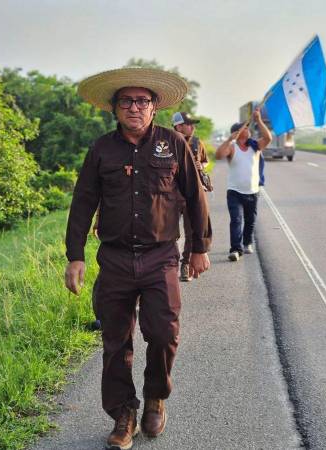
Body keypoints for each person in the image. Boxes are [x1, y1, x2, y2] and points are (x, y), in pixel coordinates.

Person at [64, 67, 211, 450]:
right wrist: (75, 256)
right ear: (114, 108)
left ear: (154, 107)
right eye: (126, 101)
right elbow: (83, 202)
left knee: (163, 333)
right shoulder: (101, 149)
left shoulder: (173, 144)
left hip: (161, 256)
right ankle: (123, 414)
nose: (134, 107)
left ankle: (156, 397)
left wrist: (199, 248)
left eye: (142, 101)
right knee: (115, 341)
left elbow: (196, 197)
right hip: (113, 259)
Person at [215, 107, 272, 261]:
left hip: (252, 191)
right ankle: (235, 249)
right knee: (236, 220)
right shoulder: (232, 148)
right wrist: (228, 139)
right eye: (244, 128)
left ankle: (247, 242)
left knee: (250, 220)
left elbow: (268, 138)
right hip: (235, 192)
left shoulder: (255, 146)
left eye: (247, 128)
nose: (247, 130)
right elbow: (219, 155)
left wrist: (258, 120)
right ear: (237, 133)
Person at [171, 111, 210, 282]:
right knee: (168, 233)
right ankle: (166, 266)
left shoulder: (196, 143)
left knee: (191, 230)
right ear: (178, 126)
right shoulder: (167, 142)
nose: (192, 127)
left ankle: (185, 264)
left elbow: (204, 161)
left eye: (193, 124)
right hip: (170, 196)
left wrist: (198, 167)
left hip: (190, 195)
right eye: (189, 124)